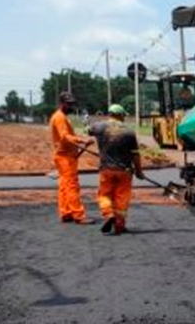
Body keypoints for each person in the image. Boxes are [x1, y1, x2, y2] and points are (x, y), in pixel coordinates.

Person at [88, 104, 144, 235]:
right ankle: (119, 225)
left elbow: (88, 130)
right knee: (122, 198)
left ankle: (108, 214)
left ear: (110, 114)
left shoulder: (99, 126)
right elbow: (135, 154)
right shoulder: (129, 132)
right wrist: (139, 171)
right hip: (124, 171)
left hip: (106, 169)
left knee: (104, 194)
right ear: (121, 115)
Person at [49, 91, 94, 224]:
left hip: (65, 156)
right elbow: (65, 136)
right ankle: (79, 215)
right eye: (69, 104)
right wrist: (82, 140)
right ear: (61, 103)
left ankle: (66, 212)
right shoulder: (59, 118)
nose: (71, 106)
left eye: (72, 104)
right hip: (65, 157)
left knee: (64, 186)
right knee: (72, 186)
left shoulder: (61, 116)